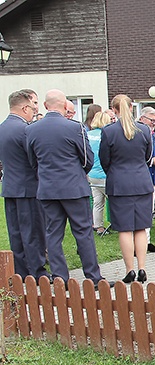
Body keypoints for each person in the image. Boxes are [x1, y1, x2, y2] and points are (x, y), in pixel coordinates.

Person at [26, 89, 104, 287]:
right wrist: (77, 172)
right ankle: (93, 278)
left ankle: (60, 277)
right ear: (64, 106)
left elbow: (32, 161)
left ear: (45, 106)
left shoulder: (32, 129)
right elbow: (87, 159)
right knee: (83, 232)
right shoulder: (75, 128)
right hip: (74, 187)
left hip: (47, 189)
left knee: (53, 233)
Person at [100, 94, 154, 283]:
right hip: (141, 182)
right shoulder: (144, 130)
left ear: (114, 110)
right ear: (131, 107)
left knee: (124, 229)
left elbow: (105, 160)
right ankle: (142, 268)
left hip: (119, 184)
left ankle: (129, 269)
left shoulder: (109, 131)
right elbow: (148, 157)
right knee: (140, 228)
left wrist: (116, 172)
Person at [0, 90, 49, 280]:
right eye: (33, 106)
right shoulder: (26, 130)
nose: (34, 110)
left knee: (16, 232)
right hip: (29, 186)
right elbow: (34, 159)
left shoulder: (2, 128)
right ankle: (37, 272)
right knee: (33, 232)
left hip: (10, 185)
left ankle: (20, 271)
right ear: (24, 107)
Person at [138, 106, 155, 253]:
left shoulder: (153, 135)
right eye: (151, 120)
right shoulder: (137, 134)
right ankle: (139, 244)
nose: (154, 123)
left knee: (149, 211)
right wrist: (151, 161)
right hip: (141, 177)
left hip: (153, 177)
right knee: (142, 212)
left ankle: (146, 241)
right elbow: (134, 157)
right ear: (142, 118)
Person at [87, 111, 112, 236]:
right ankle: (118, 224)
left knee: (97, 201)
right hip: (104, 173)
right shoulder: (106, 135)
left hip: (92, 173)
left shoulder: (88, 134)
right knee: (113, 200)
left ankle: (98, 226)